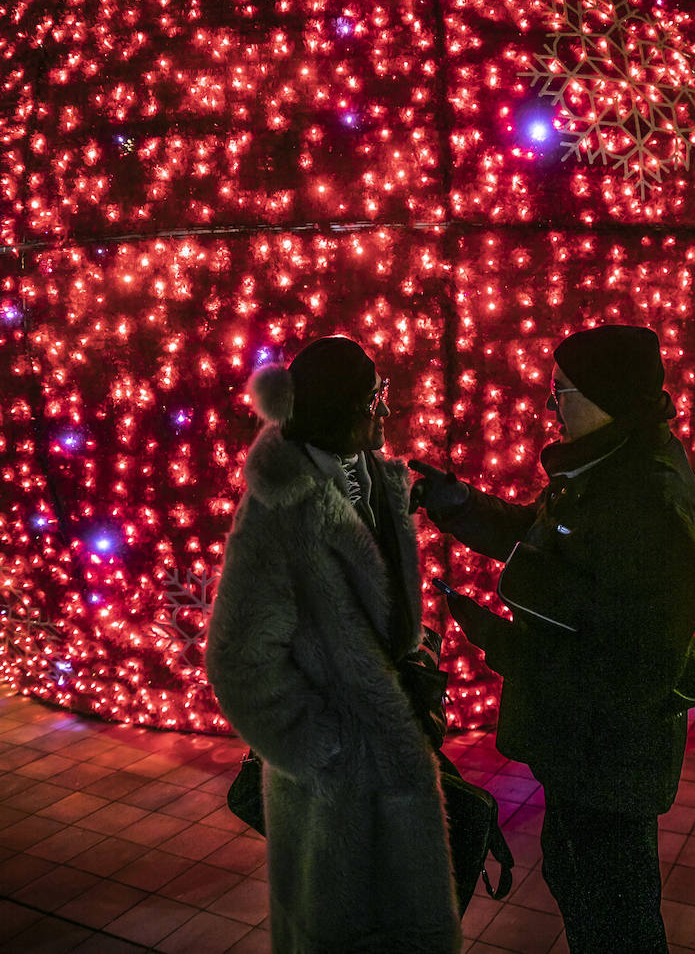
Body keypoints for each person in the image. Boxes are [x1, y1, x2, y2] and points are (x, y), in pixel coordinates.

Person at [412, 324, 695, 954]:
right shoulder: (607, 467)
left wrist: (500, 641)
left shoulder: (647, 499)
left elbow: (634, 669)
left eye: (559, 392)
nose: (550, 406)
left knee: (612, 914)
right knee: (583, 885)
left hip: (608, 758)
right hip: (585, 752)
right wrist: (456, 501)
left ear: (602, 395)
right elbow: (539, 537)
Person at [206, 336, 460, 954]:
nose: (386, 410)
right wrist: (327, 749)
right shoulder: (280, 510)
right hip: (337, 804)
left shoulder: (371, 476)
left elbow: (374, 617)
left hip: (392, 769)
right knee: (342, 932)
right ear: (343, 407)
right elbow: (238, 660)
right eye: (375, 397)